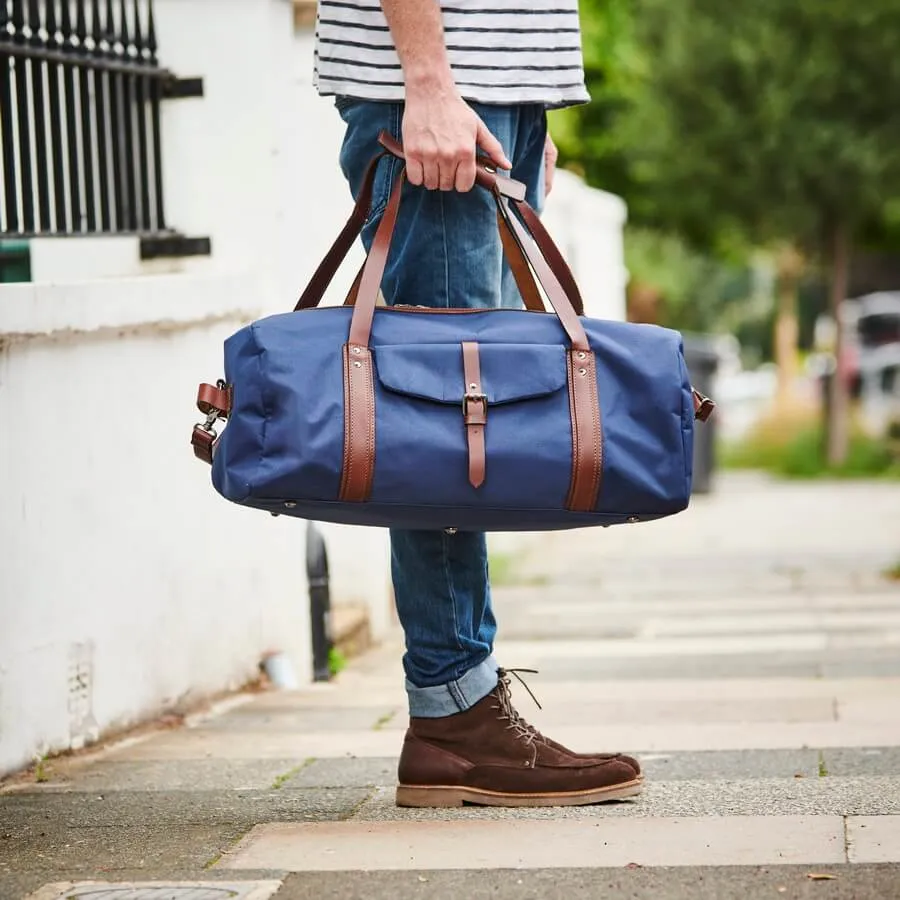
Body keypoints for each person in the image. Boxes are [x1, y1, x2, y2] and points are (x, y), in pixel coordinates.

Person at [314, 0, 642, 808]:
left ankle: (453, 709)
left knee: (458, 420)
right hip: (437, 88)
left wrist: (527, 102)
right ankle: (455, 711)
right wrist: (428, 80)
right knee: (446, 425)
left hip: (487, 96)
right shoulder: (427, 84)